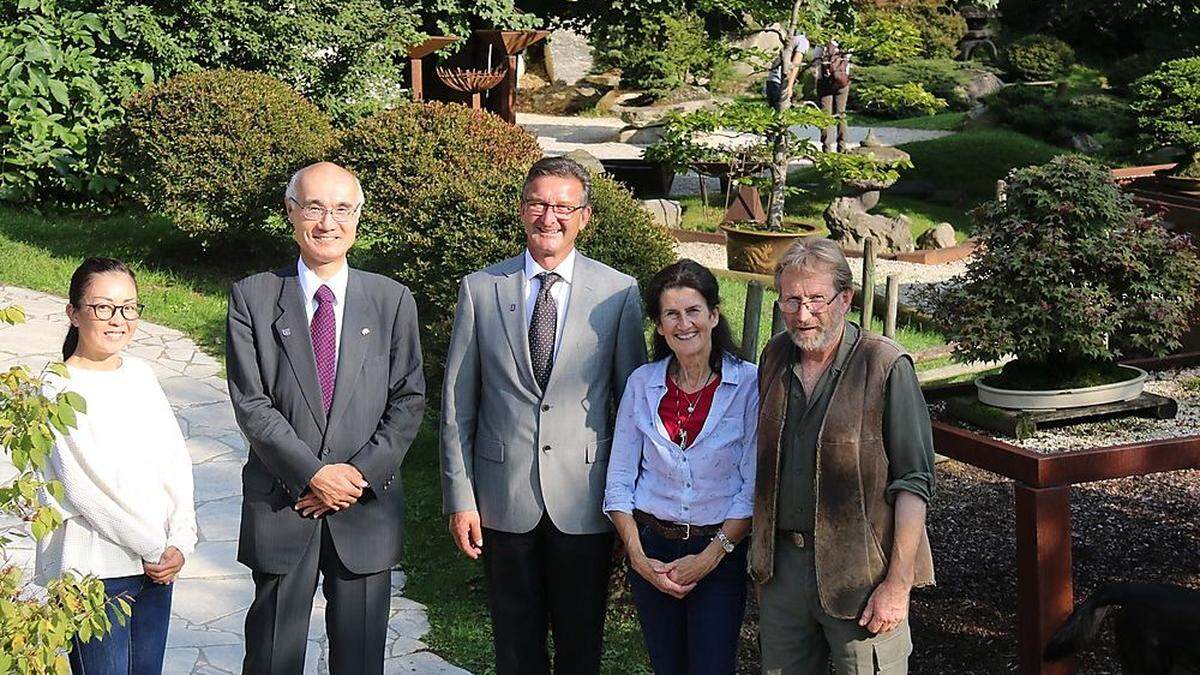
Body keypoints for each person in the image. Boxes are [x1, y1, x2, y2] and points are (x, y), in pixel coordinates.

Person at [440, 156, 647, 674]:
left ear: (585, 217)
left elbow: (634, 408)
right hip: (502, 497)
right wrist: (461, 499)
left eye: (562, 206)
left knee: (581, 643)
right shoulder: (481, 289)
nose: (548, 216)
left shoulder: (618, 292)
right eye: (537, 203)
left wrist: (629, 505)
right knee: (515, 643)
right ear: (521, 209)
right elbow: (457, 406)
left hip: (586, 499)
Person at [226, 162, 425, 674]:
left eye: (342, 209)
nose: (327, 222)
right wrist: (312, 474)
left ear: (359, 218)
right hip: (284, 503)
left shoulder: (391, 300)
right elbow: (252, 403)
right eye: (314, 207)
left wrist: (352, 478)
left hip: (364, 510)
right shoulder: (252, 297)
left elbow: (408, 401)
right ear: (291, 213)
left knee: (360, 663)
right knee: (272, 658)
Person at [749, 237, 935, 674]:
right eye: (791, 300)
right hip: (783, 573)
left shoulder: (884, 364)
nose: (803, 313)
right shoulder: (774, 356)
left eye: (816, 299)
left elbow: (914, 481)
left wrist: (898, 583)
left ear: (845, 298)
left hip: (862, 576)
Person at [38, 256, 197, 675]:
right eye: (102, 307)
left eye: (128, 307)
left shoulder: (141, 375)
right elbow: (85, 486)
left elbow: (174, 462)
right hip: (96, 572)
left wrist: (181, 539)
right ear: (73, 313)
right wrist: (153, 547)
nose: (118, 319)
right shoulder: (58, 385)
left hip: (156, 568)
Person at [603, 259, 758, 674]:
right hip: (653, 552)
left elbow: (751, 487)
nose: (683, 323)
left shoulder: (749, 385)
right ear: (658, 325)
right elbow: (619, 480)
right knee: (666, 667)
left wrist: (709, 558)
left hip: (719, 552)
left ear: (713, 315)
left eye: (693, 311)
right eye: (671, 313)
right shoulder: (642, 384)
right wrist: (637, 555)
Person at [813, 40, 851, 153]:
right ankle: (842, 147)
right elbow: (848, 60)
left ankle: (827, 149)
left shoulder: (822, 40)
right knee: (841, 114)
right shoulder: (847, 40)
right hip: (843, 82)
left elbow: (815, 61)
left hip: (825, 82)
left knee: (825, 116)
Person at [764, 34, 810, 109]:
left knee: (772, 112)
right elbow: (795, 65)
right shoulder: (803, 42)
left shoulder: (795, 38)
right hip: (780, 82)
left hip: (772, 79)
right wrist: (789, 87)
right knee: (781, 111)